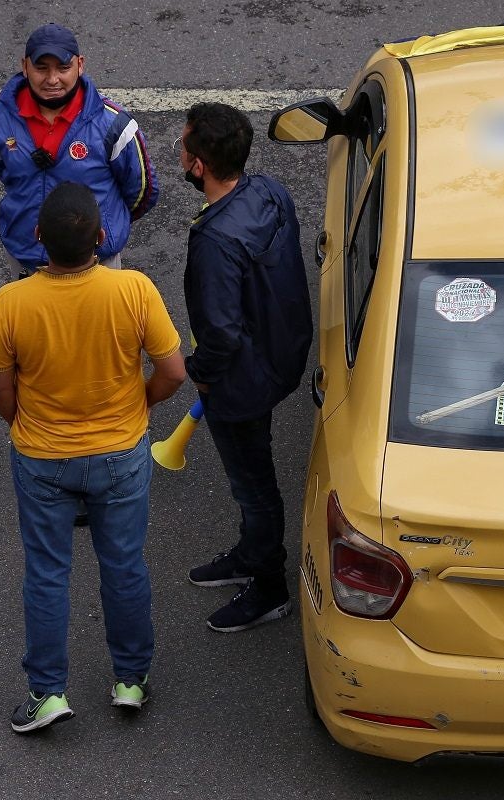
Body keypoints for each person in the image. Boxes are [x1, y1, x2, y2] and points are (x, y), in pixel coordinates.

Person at [0, 182, 186, 733]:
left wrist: (22, 422)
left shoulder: (11, 303)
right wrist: (136, 409)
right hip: (120, 453)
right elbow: (172, 372)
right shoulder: (134, 291)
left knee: (47, 573)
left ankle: (47, 693)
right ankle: (130, 681)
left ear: (38, 237)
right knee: (123, 567)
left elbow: (0, 387)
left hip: (42, 457)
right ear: (100, 236)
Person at [178, 102, 313, 633]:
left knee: (253, 485)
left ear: (199, 166)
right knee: (254, 481)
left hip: (242, 381)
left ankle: (269, 585)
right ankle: (251, 553)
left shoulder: (214, 240)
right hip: (280, 355)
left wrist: (200, 372)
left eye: (185, 145)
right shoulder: (268, 192)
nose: (181, 151)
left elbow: (220, 333)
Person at [0, 23, 158, 277]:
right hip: (27, 258)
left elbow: (143, 191)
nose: (52, 79)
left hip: (96, 262)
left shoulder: (114, 124)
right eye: (41, 68)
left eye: (63, 68)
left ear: (80, 64)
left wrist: (108, 222)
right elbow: (2, 168)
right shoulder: (0, 119)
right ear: (24, 67)